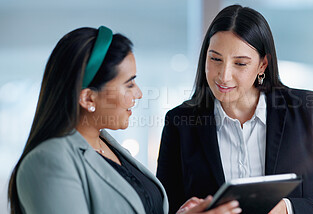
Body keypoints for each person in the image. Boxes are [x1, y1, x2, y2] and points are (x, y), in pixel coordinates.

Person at [7, 26, 242, 214]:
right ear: (88, 98)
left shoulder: (107, 146)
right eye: (129, 84)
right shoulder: (48, 161)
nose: (138, 93)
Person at [156, 5, 313, 214]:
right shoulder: (179, 122)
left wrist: (287, 208)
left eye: (240, 63)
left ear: (262, 65)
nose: (224, 76)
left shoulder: (309, 110)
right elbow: (163, 209)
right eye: (215, 59)